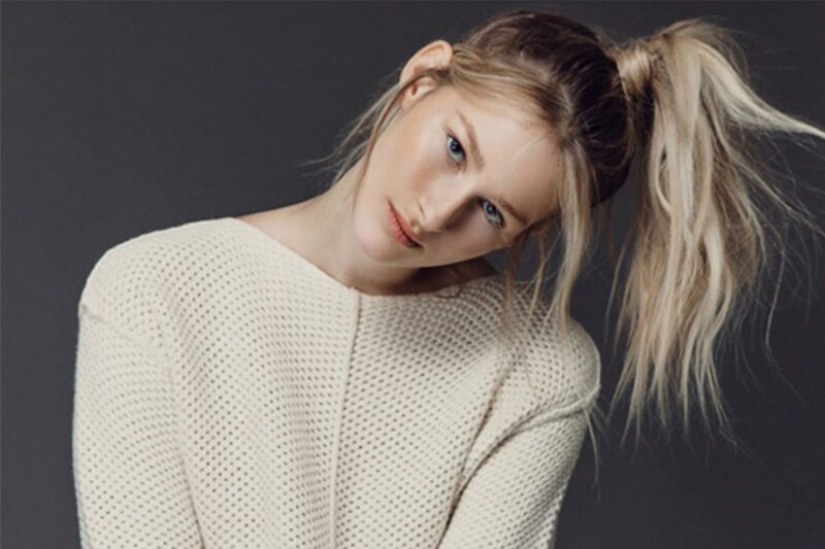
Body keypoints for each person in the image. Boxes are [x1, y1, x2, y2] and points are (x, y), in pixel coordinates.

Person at [72, 8, 825, 549]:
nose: (436, 212)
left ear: (525, 235)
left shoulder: (537, 369)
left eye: (492, 211)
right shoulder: (151, 288)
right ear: (421, 79)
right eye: (456, 148)